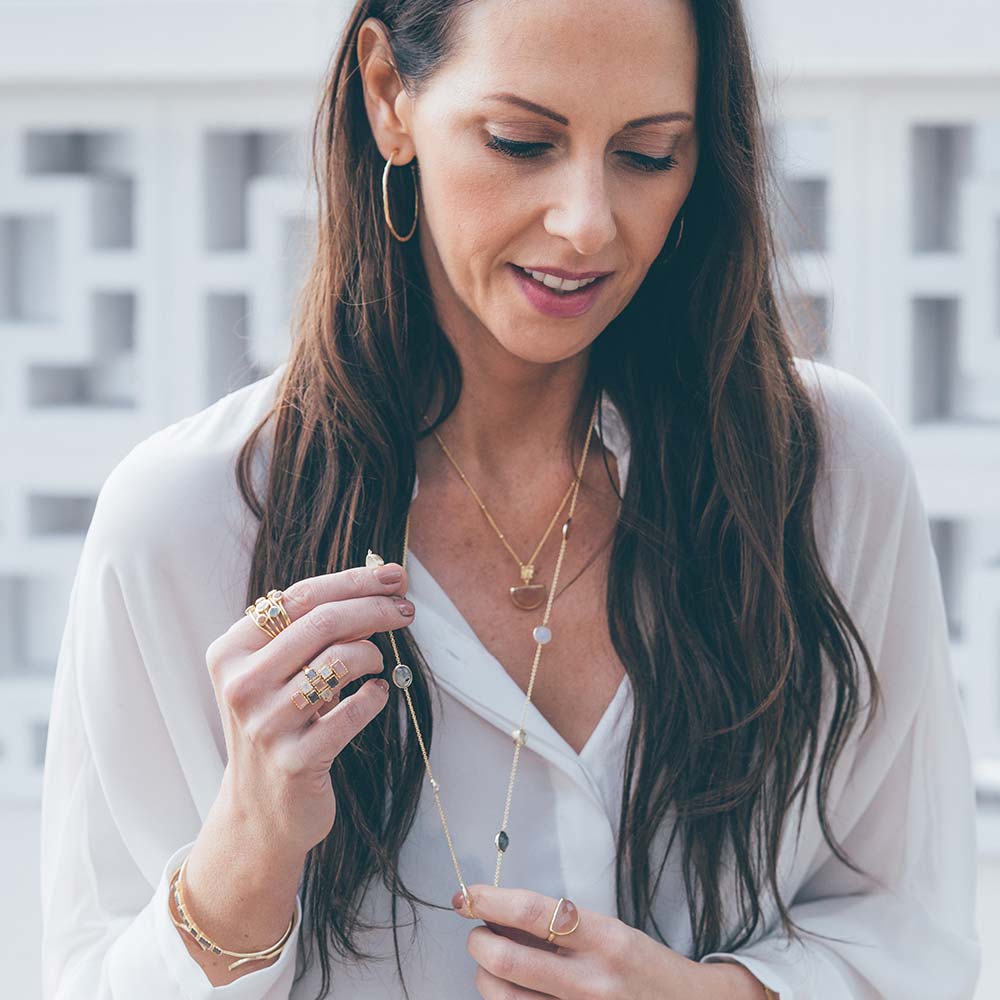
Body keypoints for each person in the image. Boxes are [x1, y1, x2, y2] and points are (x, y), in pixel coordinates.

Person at [40, 1, 981, 998]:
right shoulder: (185, 525)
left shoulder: (823, 474)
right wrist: (249, 847)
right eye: (521, 142)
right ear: (387, 94)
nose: (587, 222)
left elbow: (913, 927)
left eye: (649, 155)